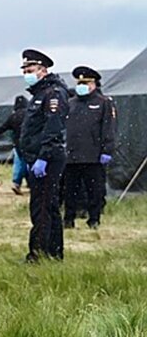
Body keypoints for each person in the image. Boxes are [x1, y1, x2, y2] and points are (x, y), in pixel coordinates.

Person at [18, 49, 70, 262]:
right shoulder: (39, 93)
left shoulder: (53, 94)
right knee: (47, 205)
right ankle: (54, 252)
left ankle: (38, 253)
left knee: (42, 207)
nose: (27, 74)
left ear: (43, 70)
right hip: (36, 156)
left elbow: (53, 127)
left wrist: (43, 156)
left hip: (47, 158)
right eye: (25, 70)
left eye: (30, 70)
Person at [63, 66, 117, 230]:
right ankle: (69, 219)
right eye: (79, 82)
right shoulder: (71, 103)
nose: (82, 85)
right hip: (72, 155)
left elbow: (109, 128)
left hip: (93, 155)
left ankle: (94, 219)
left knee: (95, 190)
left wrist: (107, 150)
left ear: (94, 84)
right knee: (70, 190)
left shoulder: (103, 103)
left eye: (85, 82)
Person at [0, 96, 28, 194]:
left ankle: (16, 182)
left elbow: (2, 128)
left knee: (19, 164)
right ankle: (30, 183)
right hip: (30, 143)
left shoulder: (13, 117)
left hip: (18, 144)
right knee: (28, 164)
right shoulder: (30, 114)